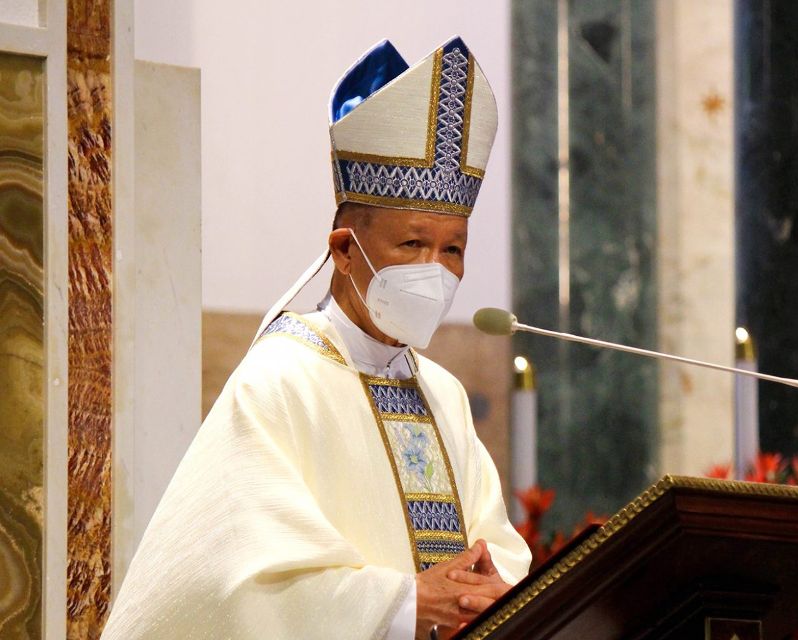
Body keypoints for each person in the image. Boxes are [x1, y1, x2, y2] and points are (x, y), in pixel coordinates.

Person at [102, 36, 530, 640]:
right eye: (412, 245)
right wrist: (407, 603)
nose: (435, 269)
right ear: (344, 252)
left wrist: (491, 590)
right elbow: (236, 585)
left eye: (453, 248)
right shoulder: (277, 380)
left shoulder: (444, 396)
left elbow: (498, 555)